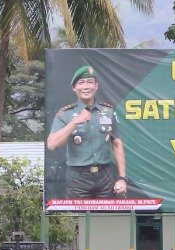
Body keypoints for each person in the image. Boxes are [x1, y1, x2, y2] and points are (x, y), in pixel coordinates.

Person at [47, 65, 129, 201]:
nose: (86, 86)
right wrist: (75, 123)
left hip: (105, 177)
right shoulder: (65, 114)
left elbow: (117, 144)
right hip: (77, 179)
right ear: (74, 88)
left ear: (96, 86)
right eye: (81, 83)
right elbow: (52, 145)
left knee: (105, 220)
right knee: (80, 220)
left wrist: (122, 179)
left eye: (90, 82)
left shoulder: (108, 112)